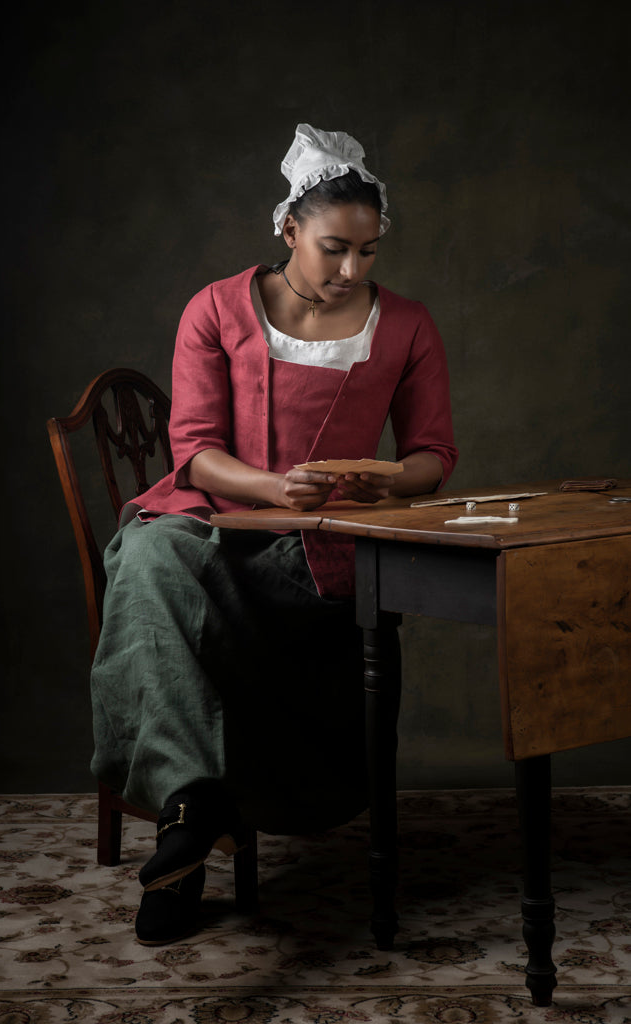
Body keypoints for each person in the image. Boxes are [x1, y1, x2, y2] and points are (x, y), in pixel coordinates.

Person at [90, 123, 458, 945]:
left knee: (175, 580)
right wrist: (272, 485)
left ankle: (195, 813)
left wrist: (388, 478)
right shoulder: (215, 309)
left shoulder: (405, 325)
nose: (351, 271)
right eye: (333, 249)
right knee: (150, 552)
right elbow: (194, 453)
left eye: (367, 253)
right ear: (288, 228)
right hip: (221, 532)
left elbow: (433, 453)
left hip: (324, 553)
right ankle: (190, 813)